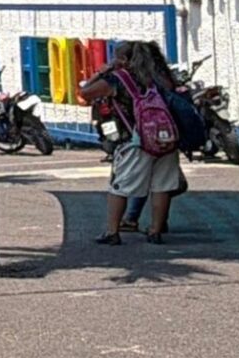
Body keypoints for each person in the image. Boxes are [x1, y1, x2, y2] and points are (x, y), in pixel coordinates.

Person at [80, 40, 186, 245]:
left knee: (120, 187)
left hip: (135, 140)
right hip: (166, 139)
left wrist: (103, 72)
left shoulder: (118, 79)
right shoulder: (161, 78)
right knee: (161, 186)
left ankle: (112, 231)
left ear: (124, 59)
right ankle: (155, 231)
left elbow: (85, 93)